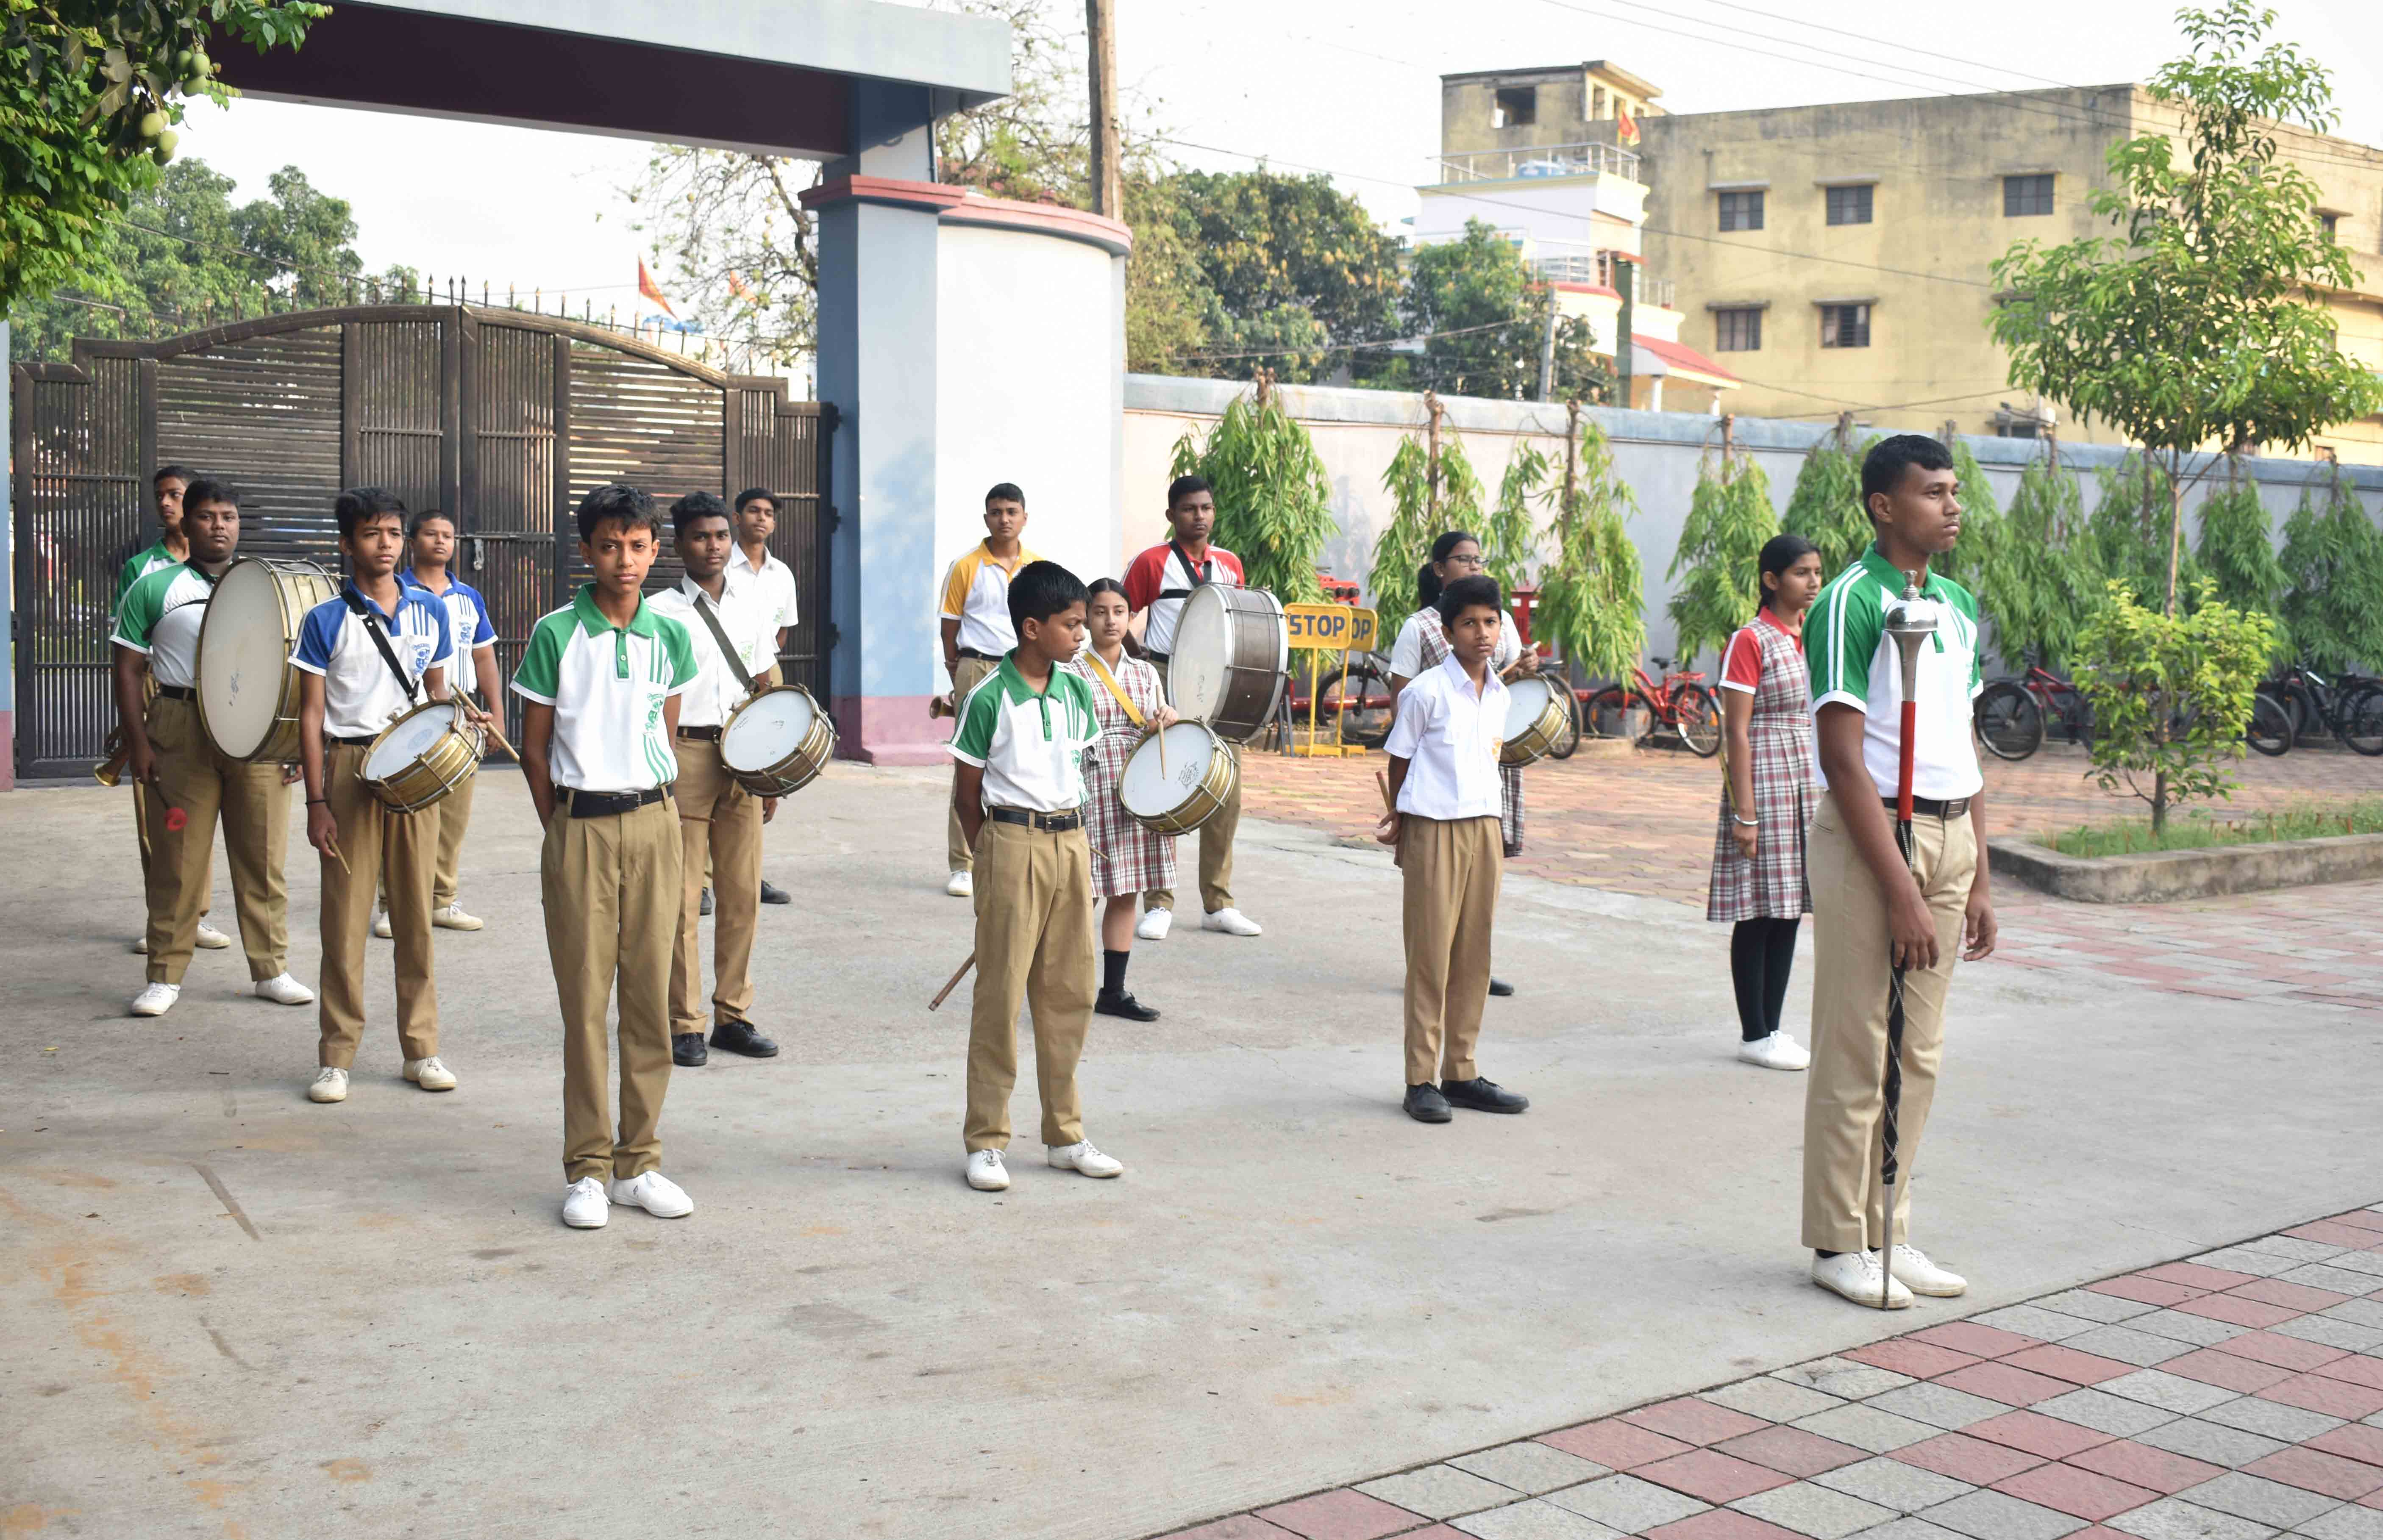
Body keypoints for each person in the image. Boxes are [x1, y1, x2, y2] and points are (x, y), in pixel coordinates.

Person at [1801, 434, 1997, 1309]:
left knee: (1917, 1047)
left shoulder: (1953, 603)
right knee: (1858, 1042)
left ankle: (1891, 1227)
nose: (1951, 506)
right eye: (1932, 492)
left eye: (1954, 490)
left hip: (1950, 832)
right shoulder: (1849, 599)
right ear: (1884, 506)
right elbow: (1842, 759)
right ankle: (1837, 1240)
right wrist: (1899, 888)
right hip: (1874, 834)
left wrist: (1978, 872)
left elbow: (1963, 743)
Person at [512, 483, 701, 1231]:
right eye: (609, 545)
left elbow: (666, 731)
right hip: (580, 825)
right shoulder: (556, 632)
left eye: (637, 545)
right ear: (587, 551)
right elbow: (533, 748)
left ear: (655, 551)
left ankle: (638, 1162)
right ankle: (587, 1168)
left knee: (649, 996)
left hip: (655, 820)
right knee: (586, 1002)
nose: (625, 559)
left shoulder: (672, 636)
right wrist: (562, 827)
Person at [948, 559, 1123, 1192]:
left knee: (1069, 992)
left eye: (1083, 623)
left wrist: (1078, 847)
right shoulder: (987, 697)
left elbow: (1079, 770)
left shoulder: (1077, 691)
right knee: (1000, 997)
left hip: (1070, 843)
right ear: (1031, 627)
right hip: (1010, 842)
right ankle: (986, 1140)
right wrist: (993, 855)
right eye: (1071, 624)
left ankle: (1065, 1135)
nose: (1082, 634)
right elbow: (966, 795)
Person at [110, 477, 313, 1017]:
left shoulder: (269, 586)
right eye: (206, 516)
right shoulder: (154, 586)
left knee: (263, 856)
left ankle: (271, 969)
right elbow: (127, 669)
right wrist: (138, 742)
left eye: (228, 517)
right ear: (187, 522)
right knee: (177, 859)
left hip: (258, 732)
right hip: (180, 727)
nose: (218, 526)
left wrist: (293, 741)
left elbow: (300, 666)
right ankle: (164, 975)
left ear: (239, 524)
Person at [293, 487, 461, 1104]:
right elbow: (311, 715)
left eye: (393, 532)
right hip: (349, 765)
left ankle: (422, 1049)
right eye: (371, 533)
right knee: (344, 920)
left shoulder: (431, 610)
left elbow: (438, 692)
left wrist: (458, 724)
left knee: (415, 915)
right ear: (347, 543)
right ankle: (336, 1057)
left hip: (414, 767)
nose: (385, 544)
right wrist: (317, 801)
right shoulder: (323, 619)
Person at [1376, 574, 1530, 1125]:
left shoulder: (1501, 694)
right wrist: (1400, 820)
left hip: (1484, 826)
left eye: (1490, 621)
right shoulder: (1425, 692)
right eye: (1468, 623)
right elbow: (1399, 758)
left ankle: (1461, 1071)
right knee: (1430, 955)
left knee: (1473, 954)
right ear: (1447, 632)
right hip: (1433, 827)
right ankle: (1420, 1078)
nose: (1481, 632)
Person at [649, 491, 781, 1069]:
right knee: (681, 898)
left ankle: (733, 1015)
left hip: (744, 755)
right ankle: (685, 1022)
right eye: (701, 536)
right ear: (678, 544)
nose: (713, 546)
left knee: (741, 894)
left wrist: (773, 765)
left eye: (721, 536)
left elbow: (766, 679)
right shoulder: (659, 611)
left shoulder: (753, 601)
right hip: (686, 754)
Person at [1387, 530, 1540, 997]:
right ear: (1439, 569)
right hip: (1438, 776)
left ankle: (1471, 967)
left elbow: (1507, 679)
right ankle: (1432, 970)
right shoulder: (1419, 628)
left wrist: (1525, 666)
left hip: (1485, 764)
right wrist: (1401, 805)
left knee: (1480, 889)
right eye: (1462, 559)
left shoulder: (1500, 623)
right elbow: (1403, 704)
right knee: (1434, 898)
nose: (1473, 565)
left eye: (1478, 559)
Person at [1121, 475, 1261, 940]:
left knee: (1225, 790)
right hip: (1165, 676)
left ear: (1213, 512)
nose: (1198, 516)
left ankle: (1217, 903)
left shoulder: (1230, 564)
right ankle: (1158, 903)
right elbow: (1119, 612)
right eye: (1188, 509)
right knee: (1163, 785)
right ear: (1171, 515)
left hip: (1218, 681)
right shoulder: (1151, 562)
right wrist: (1141, 660)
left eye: (1205, 507)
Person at [1710, 533, 1824, 1072]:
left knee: (1789, 909)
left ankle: (1773, 1027)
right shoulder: (1750, 639)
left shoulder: (1812, 636)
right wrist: (1745, 813)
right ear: (1771, 580)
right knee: (1758, 910)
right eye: (1802, 572)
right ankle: (1753, 1032)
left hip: (1805, 778)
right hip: (1764, 776)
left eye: (1817, 572)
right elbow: (1736, 730)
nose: (1813, 582)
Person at [369, 508, 501, 937]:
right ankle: (393, 904)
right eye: (431, 533)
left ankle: (442, 899)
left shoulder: (469, 597)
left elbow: (484, 656)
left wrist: (496, 713)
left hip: (461, 713)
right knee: (404, 813)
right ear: (412, 541)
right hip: (410, 713)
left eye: (448, 535)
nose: (442, 541)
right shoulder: (396, 590)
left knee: (453, 814)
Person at [120, 464, 232, 957]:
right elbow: (127, 654)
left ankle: (197, 912)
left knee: (205, 812)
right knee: (166, 818)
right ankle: (163, 915)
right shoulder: (143, 569)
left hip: (223, 697)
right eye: (161, 496)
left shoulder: (234, 570)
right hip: (160, 687)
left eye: (176, 495)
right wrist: (133, 730)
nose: (166, 503)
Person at [1063, 579, 1179, 1022]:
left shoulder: (1146, 673)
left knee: (1125, 889)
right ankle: (1061, 989)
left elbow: (1156, 721)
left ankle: (1113, 991)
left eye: (1118, 612)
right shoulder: (1071, 671)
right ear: (1086, 617)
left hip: (1136, 787)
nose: (1110, 621)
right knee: (1081, 894)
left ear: (1131, 616)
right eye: (1099, 612)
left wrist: (1166, 717)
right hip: (1089, 784)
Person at [938, 483, 1038, 899]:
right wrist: (956, 671)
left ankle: (1019, 851)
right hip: (976, 665)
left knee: (1022, 756)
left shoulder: (1037, 567)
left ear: (1024, 517)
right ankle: (963, 863)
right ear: (986, 518)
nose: (1004, 519)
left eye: (1011, 511)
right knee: (969, 761)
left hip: (1023, 668)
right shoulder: (966, 566)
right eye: (996, 512)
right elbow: (949, 626)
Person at [730, 487, 801, 907]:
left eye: (769, 513)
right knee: (718, 769)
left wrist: (764, 667)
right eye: (754, 510)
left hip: (766, 669)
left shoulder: (782, 574)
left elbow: (783, 629)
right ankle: (703, 880)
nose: (761, 517)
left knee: (761, 768)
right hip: (724, 672)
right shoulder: (721, 564)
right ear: (737, 517)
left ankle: (750, 874)